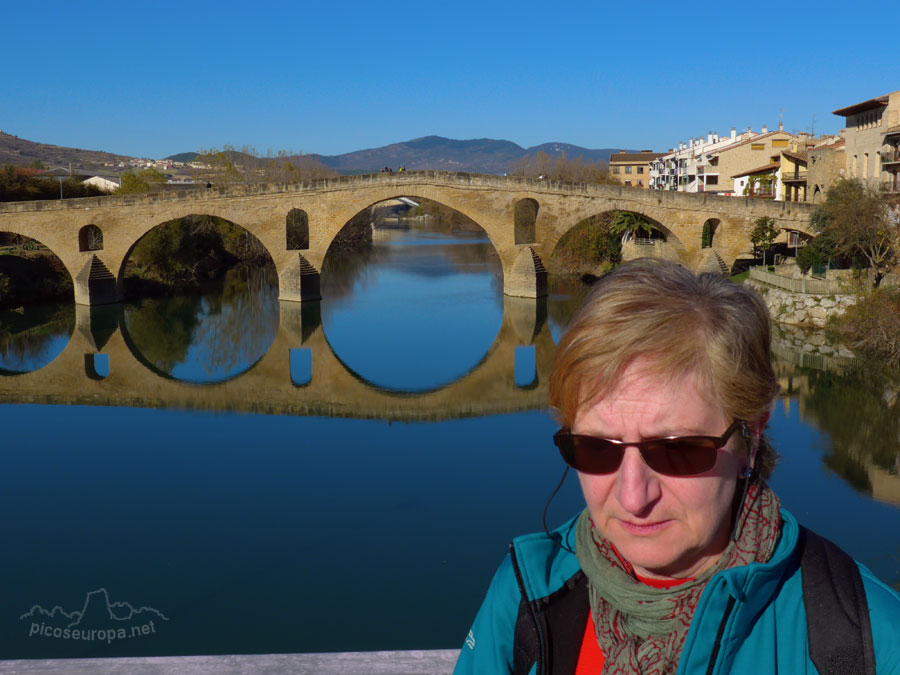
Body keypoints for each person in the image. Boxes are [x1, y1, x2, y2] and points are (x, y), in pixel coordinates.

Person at [454, 260, 900, 674]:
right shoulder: (527, 594)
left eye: (678, 450)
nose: (633, 496)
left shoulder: (865, 636)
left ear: (752, 438)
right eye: (596, 449)